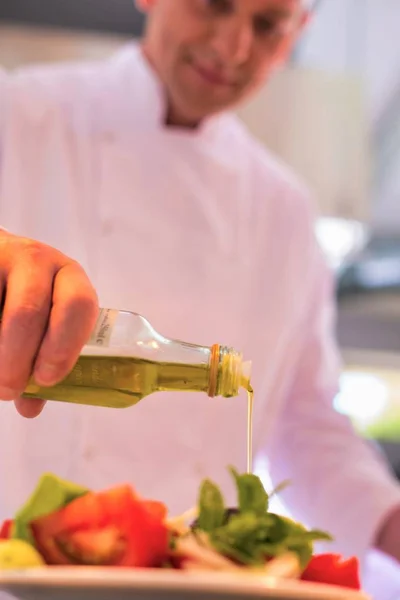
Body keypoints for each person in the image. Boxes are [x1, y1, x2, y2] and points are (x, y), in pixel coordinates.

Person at [0, 0, 399, 573]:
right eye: (214, 4)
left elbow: (309, 427)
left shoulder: (283, 209)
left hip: (191, 578)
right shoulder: (20, 115)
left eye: (267, 26)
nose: (233, 48)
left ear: (295, 37)